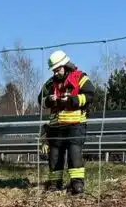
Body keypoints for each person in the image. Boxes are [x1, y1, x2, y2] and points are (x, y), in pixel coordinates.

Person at [38, 50, 95, 194]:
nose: (56, 73)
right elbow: (40, 100)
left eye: (58, 69)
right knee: (54, 156)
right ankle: (55, 183)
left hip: (75, 124)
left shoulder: (80, 77)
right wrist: (48, 100)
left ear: (65, 65)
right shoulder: (50, 83)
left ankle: (77, 184)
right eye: (54, 70)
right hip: (56, 126)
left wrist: (73, 100)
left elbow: (90, 94)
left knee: (74, 154)